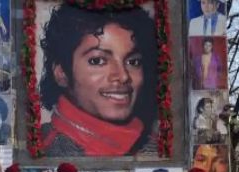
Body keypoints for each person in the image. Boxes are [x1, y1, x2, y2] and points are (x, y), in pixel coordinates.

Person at [39, 4, 158, 156]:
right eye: (98, 61)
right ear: (62, 73)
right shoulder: (44, 151)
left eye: (133, 62)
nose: (123, 76)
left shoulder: (157, 146)